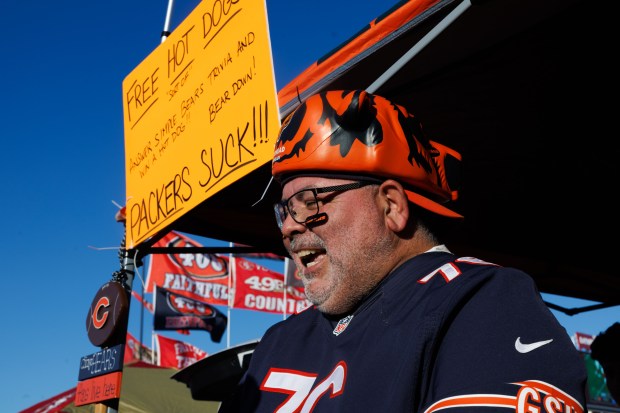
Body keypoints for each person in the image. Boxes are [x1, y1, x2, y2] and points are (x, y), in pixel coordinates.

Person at [219, 90, 586, 412]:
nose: (287, 227)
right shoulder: (279, 341)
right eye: (284, 210)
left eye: (308, 202)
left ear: (391, 206)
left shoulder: (480, 302)